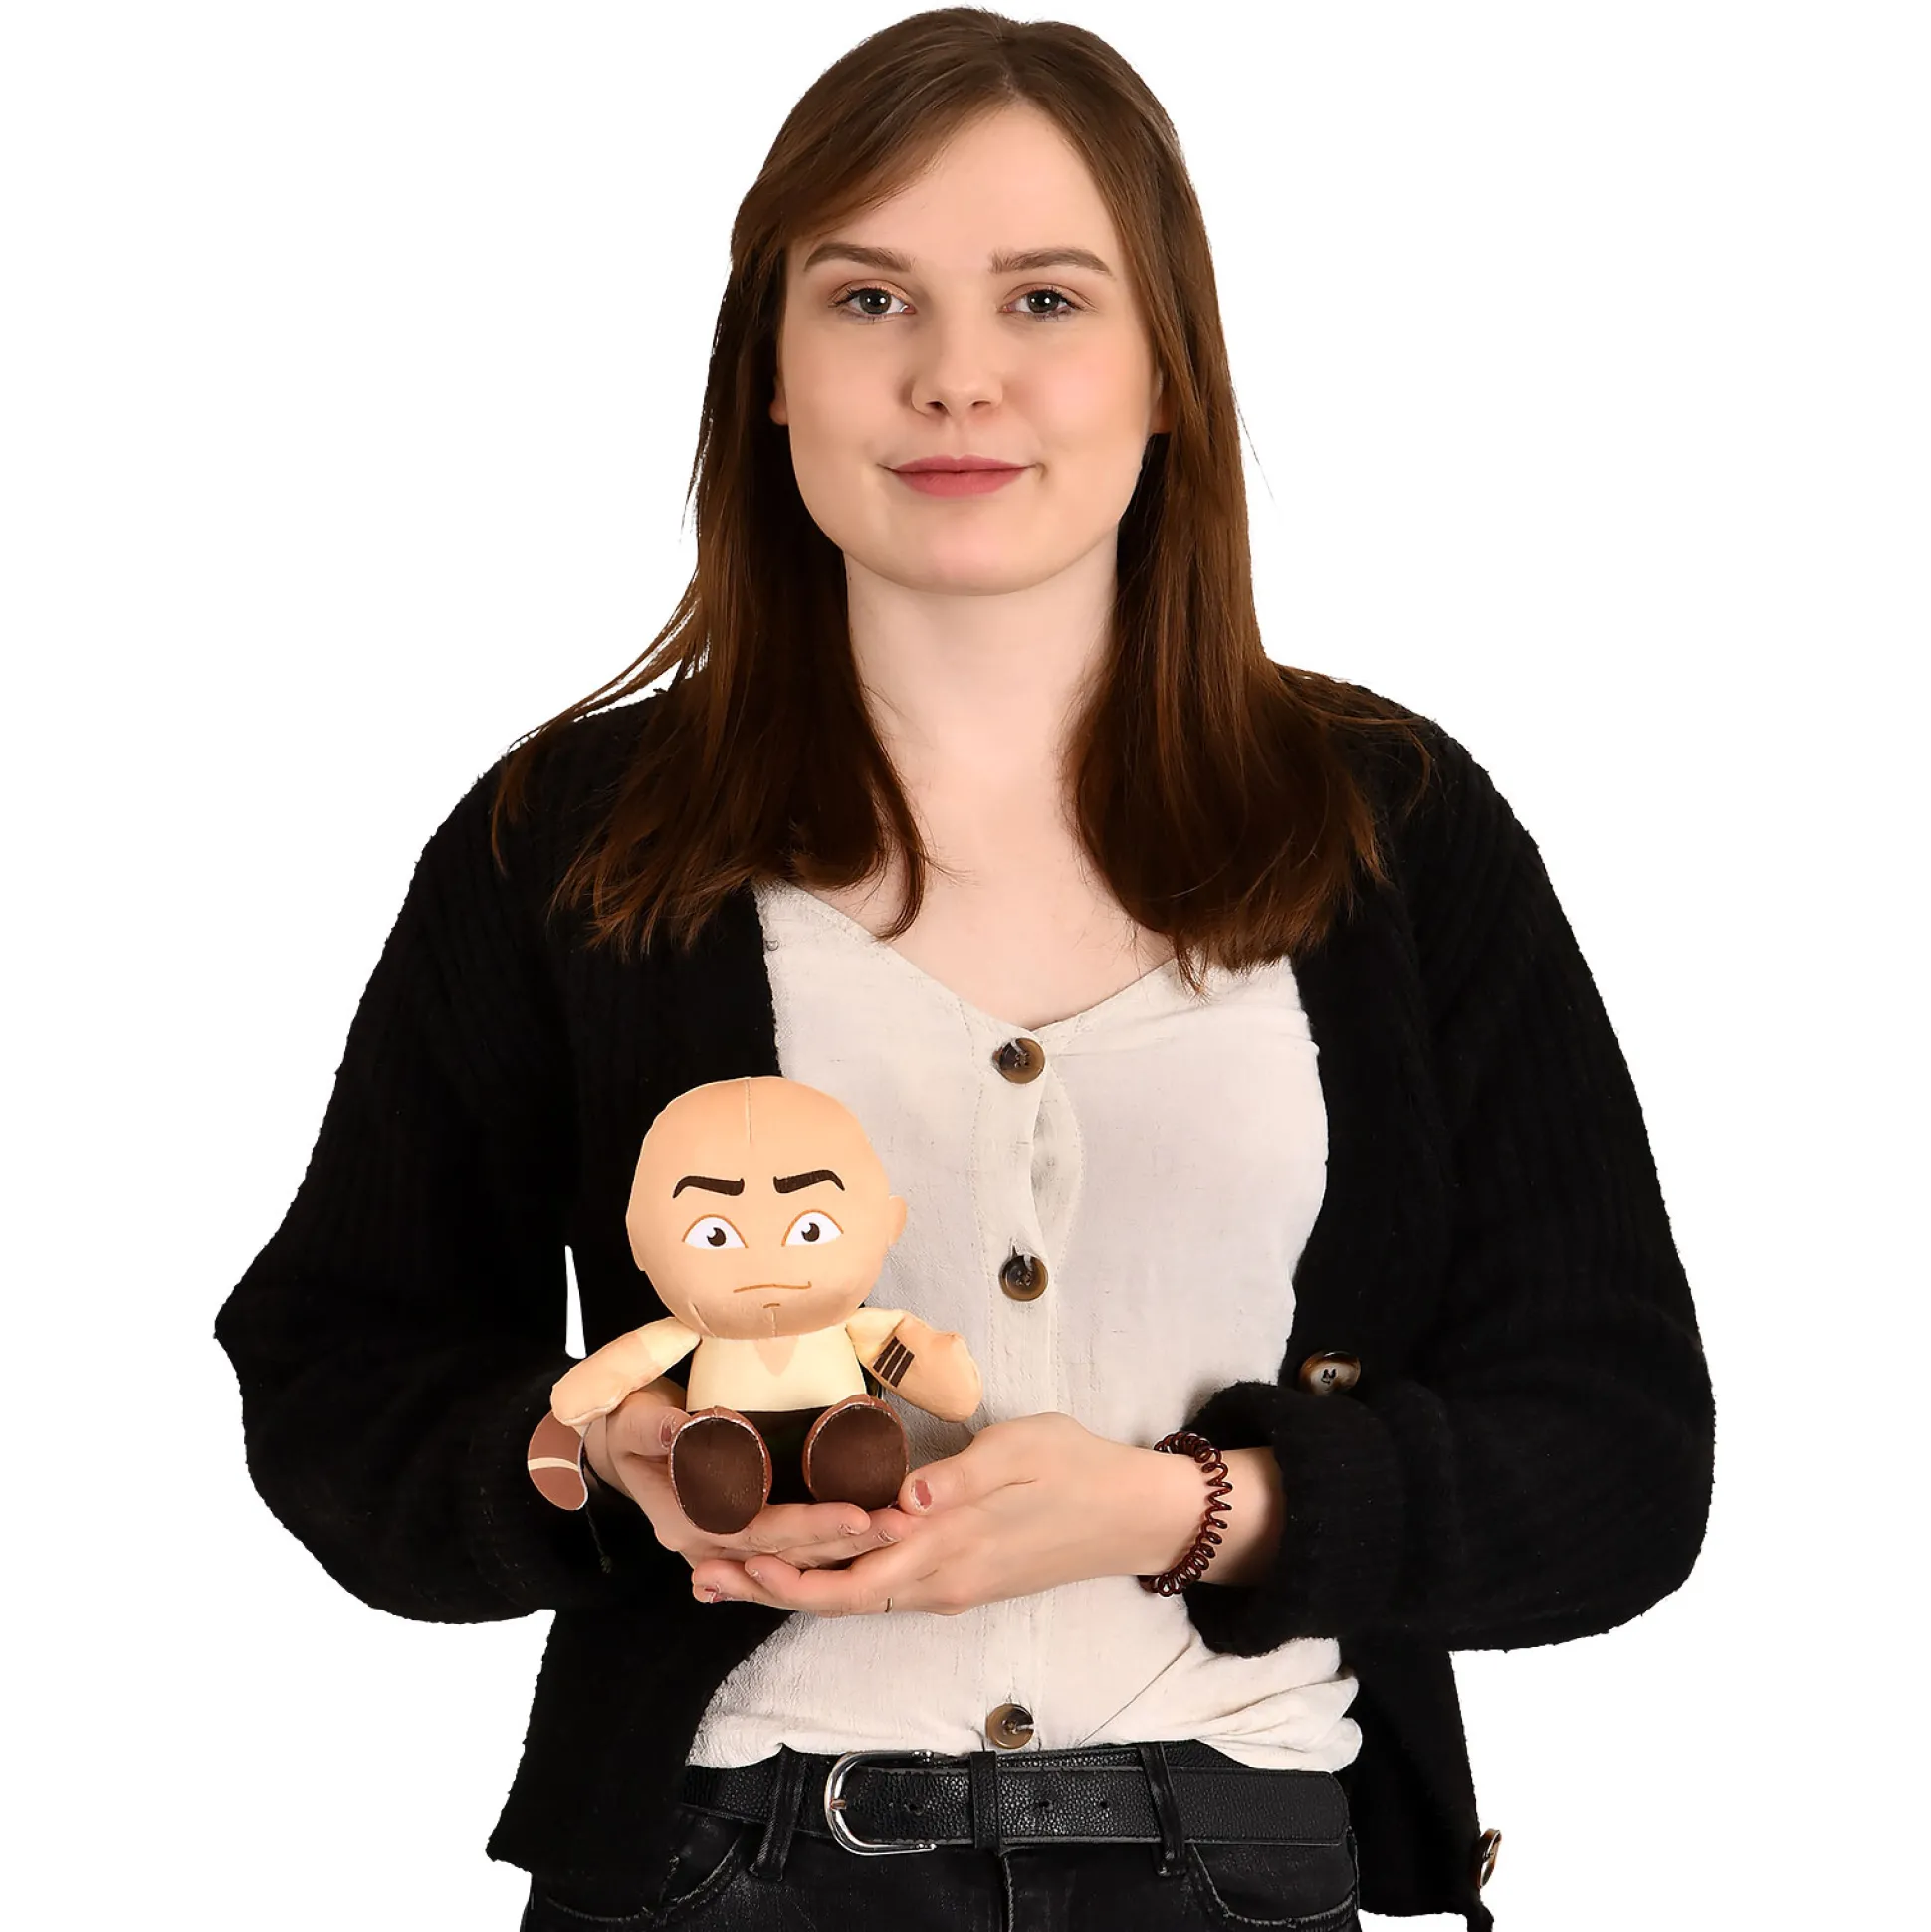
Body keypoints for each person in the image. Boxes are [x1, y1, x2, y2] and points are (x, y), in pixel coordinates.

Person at [211, 12, 1715, 1931]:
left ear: (1169, 375)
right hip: (719, 1868)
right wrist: (599, 1461)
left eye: (1045, 300)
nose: (954, 375)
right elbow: (339, 1375)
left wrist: (1196, 1510)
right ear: (769, 377)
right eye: (869, 299)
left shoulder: (1394, 831)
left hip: (1247, 1865)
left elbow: (1620, 1465)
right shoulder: (569, 843)